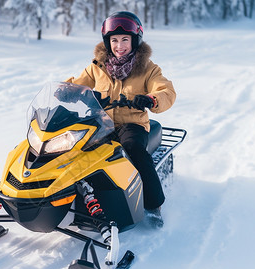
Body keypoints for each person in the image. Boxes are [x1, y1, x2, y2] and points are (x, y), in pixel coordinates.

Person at [65, 11, 176, 229]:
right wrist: (65, 91)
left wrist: (151, 99)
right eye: (114, 40)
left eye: (125, 39)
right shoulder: (97, 66)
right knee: (74, 148)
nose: (119, 45)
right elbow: (78, 83)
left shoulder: (148, 69)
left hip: (132, 124)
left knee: (132, 148)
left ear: (135, 40)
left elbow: (166, 91)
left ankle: (154, 205)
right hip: (101, 124)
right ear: (108, 42)